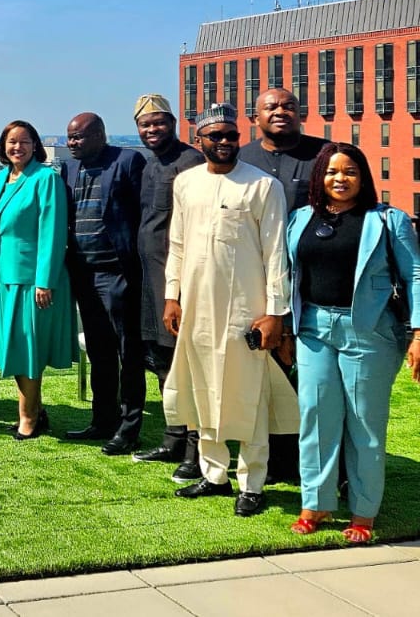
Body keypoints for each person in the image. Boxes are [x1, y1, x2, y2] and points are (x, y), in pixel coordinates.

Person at [163, 102, 299, 517]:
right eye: (215, 136)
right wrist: (172, 295)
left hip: (248, 309)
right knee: (204, 389)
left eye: (231, 135)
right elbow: (178, 244)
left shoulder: (261, 186)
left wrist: (275, 313)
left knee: (248, 396)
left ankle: (252, 482)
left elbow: (277, 253)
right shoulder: (185, 183)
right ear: (199, 139)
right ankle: (214, 474)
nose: (224, 142)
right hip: (197, 307)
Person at [286, 143, 420, 542]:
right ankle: (316, 502)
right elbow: (287, 274)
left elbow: (415, 274)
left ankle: (363, 512)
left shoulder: (387, 220)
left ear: (363, 178)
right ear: (319, 178)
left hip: (369, 332)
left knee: (364, 424)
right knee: (316, 418)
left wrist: (419, 331)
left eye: (349, 172)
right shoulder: (300, 219)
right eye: (331, 172)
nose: (340, 179)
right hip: (313, 329)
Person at [237, 87, 329, 483]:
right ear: (253, 116)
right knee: (264, 375)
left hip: (314, 283)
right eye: (270, 107)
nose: (280, 112)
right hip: (256, 284)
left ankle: (322, 464)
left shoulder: (325, 154)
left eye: (288, 106)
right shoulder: (240, 158)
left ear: (300, 112)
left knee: (312, 379)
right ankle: (274, 462)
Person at [127, 95, 206, 482]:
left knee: (186, 365)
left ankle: (195, 449)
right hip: (147, 280)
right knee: (162, 363)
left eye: (159, 123)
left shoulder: (191, 162)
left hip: (176, 282)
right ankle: (173, 438)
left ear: (172, 123)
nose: (152, 130)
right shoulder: (146, 165)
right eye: (145, 125)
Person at [60, 112, 147, 455]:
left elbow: (141, 214)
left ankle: (129, 428)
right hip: (83, 273)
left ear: (100, 134)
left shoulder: (127, 161)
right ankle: (103, 420)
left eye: (79, 137)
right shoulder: (68, 168)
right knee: (99, 352)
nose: (72, 143)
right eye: (69, 137)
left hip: (117, 273)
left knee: (129, 352)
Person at [0, 121, 75, 440]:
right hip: (0, 277)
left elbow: (52, 230)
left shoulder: (45, 179)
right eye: (11, 141)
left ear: (35, 145)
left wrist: (44, 280)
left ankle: (29, 417)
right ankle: (34, 410)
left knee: (27, 349)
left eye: (24, 141)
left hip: (31, 280)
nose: (17, 147)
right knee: (12, 348)